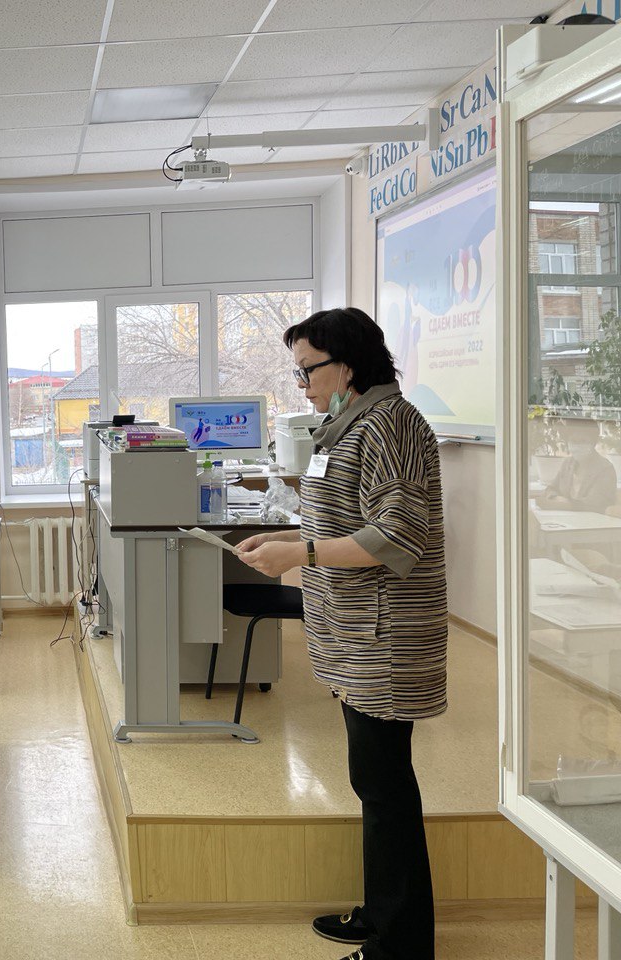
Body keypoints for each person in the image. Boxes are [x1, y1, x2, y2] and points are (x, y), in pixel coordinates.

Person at [237, 307, 446, 960]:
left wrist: (299, 554)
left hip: (385, 639)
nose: (301, 384)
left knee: (386, 791)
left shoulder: (390, 425)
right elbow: (340, 515)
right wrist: (284, 539)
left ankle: (399, 944)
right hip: (355, 635)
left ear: (348, 364)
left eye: (308, 370)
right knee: (374, 785)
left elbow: (398, 536)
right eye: (298, 372)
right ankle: (383, 914)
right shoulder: (347, 423)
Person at [537, 440, 618, 514]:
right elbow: (551, 489)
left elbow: (595, 504)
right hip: (566, 518)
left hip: (595, 521)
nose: (576, 446)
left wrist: (560, 505)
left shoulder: (605, 468)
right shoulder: (568, 463)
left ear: (592, 443)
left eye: (582, 441)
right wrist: (555, 497)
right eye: (573, 441)